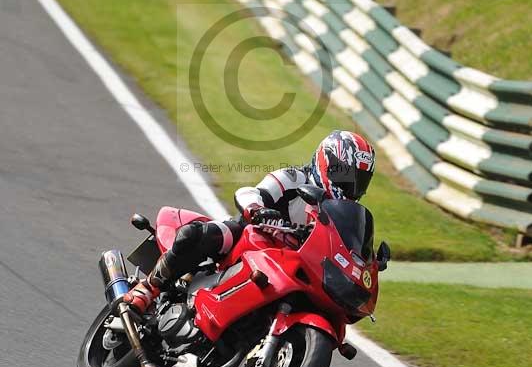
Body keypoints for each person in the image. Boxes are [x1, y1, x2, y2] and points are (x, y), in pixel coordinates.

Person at [124, 130, 376, 314]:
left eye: (359, 180)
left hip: (289, 266)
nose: (351, 186)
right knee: (196, 235)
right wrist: (257, 210)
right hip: (253, 238)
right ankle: (148, 288)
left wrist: (365, 263)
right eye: (345, 175)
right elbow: (250, 193)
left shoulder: (341, 212)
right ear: (327, 163)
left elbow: (344, 248)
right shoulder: (294, 178)